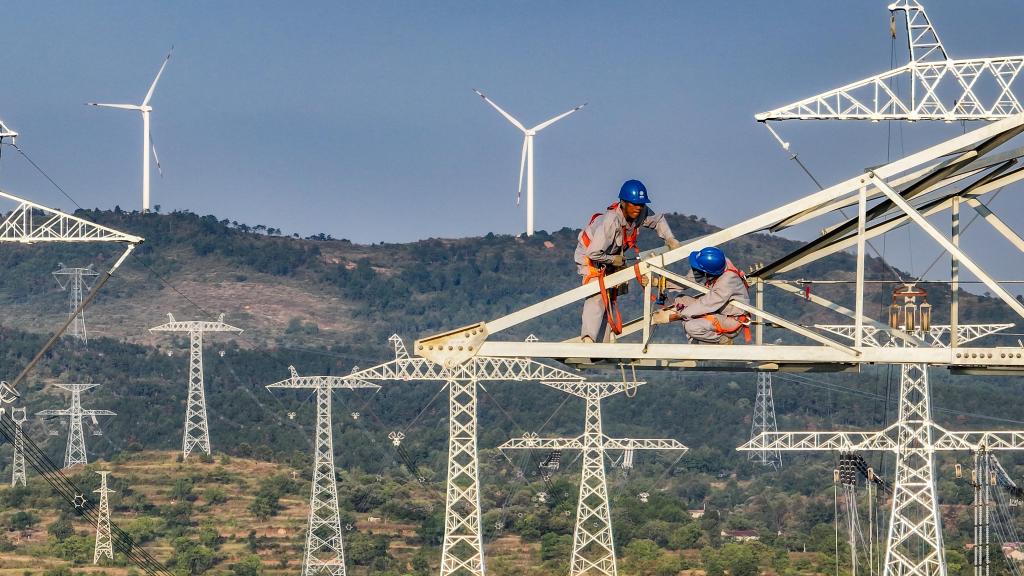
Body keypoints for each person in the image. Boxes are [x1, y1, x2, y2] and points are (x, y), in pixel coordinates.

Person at [575, 179, 681, 343]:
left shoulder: (640, 213)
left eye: (641, 204)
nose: (638, 208)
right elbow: (593, 253)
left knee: (610, 295)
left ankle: (601, 344)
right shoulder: (611, 221)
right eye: (634, 204)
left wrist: (670, 239)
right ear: (623, 203)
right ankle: (588, 339)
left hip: (609, 257)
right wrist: (613, 259)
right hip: (590, 256)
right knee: (597, 292)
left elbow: (658, 220)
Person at [651, 246, 751, 344]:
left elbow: (706, 304)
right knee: (680, 300)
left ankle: (722, 340)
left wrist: (675, 316)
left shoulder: (727, 280)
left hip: (731, 320)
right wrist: (659, 283)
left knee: (691, 327)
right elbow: (689, 280)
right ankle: (693, 340)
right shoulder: (718, 263)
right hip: (719, 310)